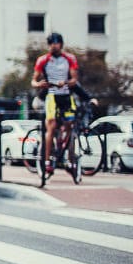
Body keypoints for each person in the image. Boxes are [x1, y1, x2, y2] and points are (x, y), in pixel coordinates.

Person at [32, 32, 80, 172]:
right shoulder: (43, 60)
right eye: (51, 43)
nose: (54, 46)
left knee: (70, 126)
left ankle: (71, 160)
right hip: (51, 95)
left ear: (61, 44)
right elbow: (33, 80)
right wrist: (39, 84)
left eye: (56, 43)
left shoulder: (69, 58)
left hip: (65, 95)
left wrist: (64, 82)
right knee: (51, 126)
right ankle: (47, 161)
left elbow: (74, 79)